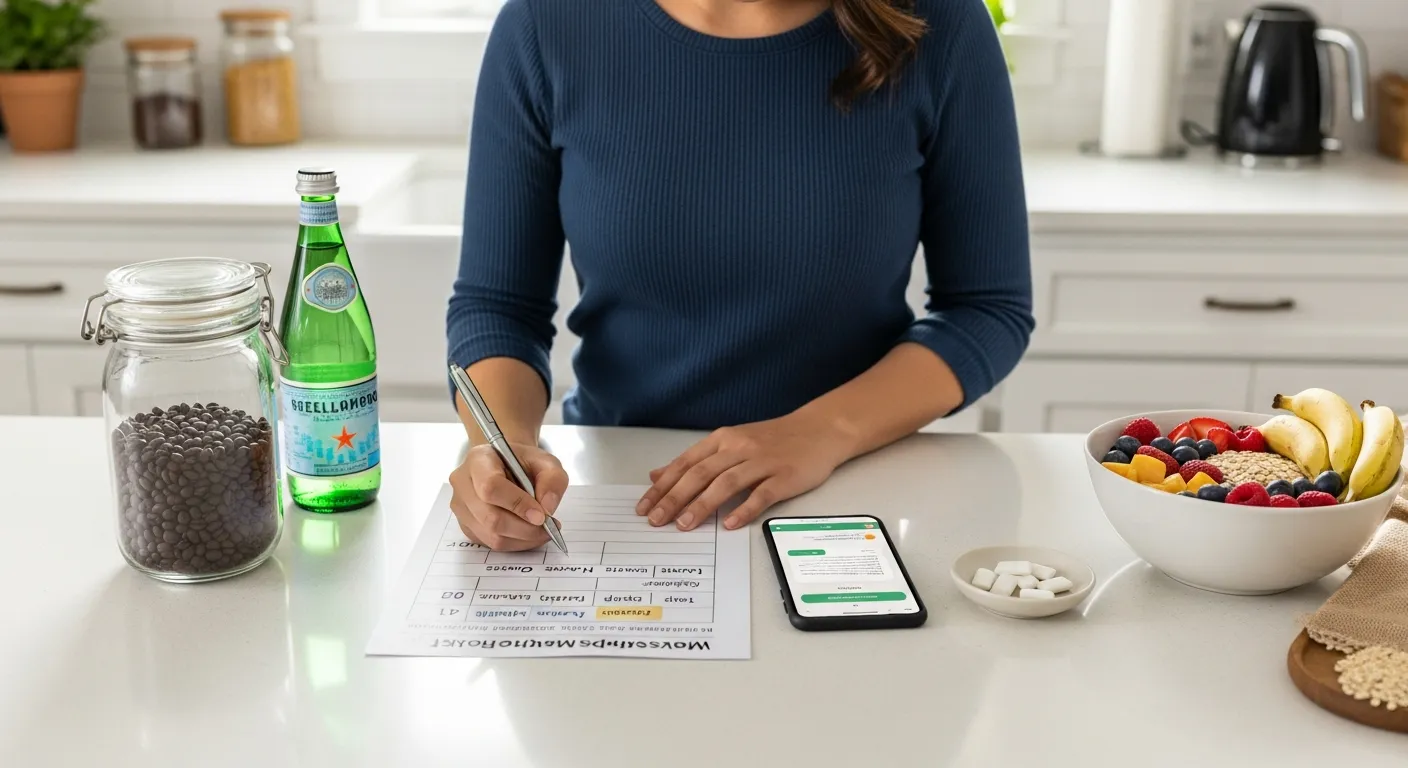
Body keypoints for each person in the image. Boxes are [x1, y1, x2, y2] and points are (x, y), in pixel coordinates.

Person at [446, 0, 1034, 551]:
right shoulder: (547, 23)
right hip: (625, 491)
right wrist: (504, 448)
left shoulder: (939, 22)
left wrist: (822, 431)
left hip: (855, 485)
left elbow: (985, 308)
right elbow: (501, 307)